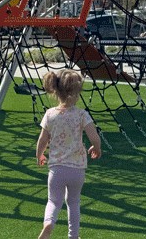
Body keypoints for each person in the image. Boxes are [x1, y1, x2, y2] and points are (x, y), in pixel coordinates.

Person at [36, 69, 102, 239]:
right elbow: (94, 137)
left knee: (53, 201)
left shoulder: (50, 114)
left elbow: (42, 140)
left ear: (56, 90)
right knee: (73, 202)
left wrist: (40, 155)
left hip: (56, 169)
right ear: (77, 92)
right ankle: (73, 236)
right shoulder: (81, 115)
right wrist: (96, 147)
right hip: (77, 169)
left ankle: (49, 223)